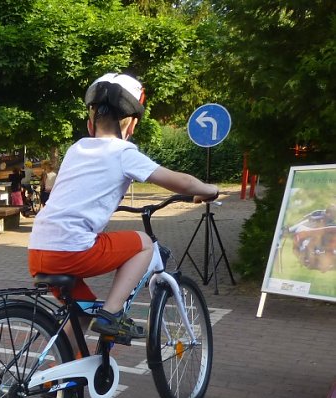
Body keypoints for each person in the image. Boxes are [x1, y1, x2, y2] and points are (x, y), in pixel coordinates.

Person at [28, 72, 219, 342]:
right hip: (72, 250)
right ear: (132, 125)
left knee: (81, 313)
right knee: (144, 243)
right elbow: (182, 183)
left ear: (90, 122)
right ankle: (112, 314)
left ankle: (56, 379)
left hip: (38, 250)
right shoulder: (123, 152)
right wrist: (210, 190)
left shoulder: (76, 148)